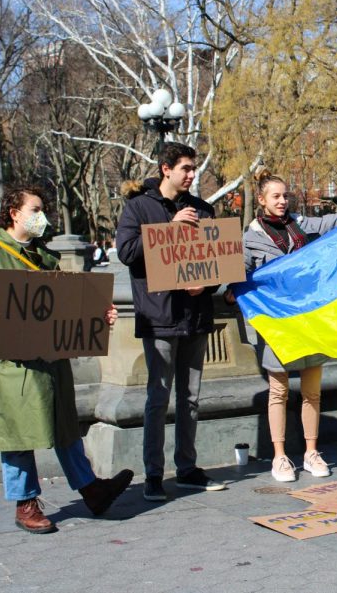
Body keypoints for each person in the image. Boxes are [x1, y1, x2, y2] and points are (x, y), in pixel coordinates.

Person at [0, 185, 132, 534]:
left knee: (65, 427)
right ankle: (25, 503)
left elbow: (68, 306)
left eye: (43, 210)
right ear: (14, 213)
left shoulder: (45, 257)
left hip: (51, 359)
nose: (42, 217)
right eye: (35, 209)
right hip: (13, 365)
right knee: (16, 432)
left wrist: (99, 315)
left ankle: (91, 490)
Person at [228, 168, 337, 482]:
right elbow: (238, 273)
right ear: (261, 200)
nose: (282, 201)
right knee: (279, 392)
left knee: (312, 393)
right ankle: (280, 457)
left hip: (310, 320)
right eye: (276, 196)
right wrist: (231, 291)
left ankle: (312, 453)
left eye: (285, 195)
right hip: (276, 324)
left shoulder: (301, 225)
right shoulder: (251, 238)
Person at [116, 142, 225, 501]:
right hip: (159, 316)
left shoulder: (203, 209)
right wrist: (170, 226)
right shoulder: (139, 207)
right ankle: (153, 474)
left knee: (190, 398)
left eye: (193, 169)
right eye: (186, 169)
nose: (192, 175)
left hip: (194, 316)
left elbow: (217, 260)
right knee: (158, 398)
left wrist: (205, 285)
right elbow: (128, 253)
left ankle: (188, 468)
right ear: (166, 169)